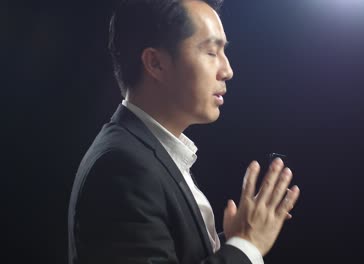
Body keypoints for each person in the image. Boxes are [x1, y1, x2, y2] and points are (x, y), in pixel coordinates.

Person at [68, 0, 300, 263]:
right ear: (155, 63)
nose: (228, 70)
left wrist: (233, 241)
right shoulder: (123, 167)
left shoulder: (147, 153)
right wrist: (246, 245)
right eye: (212, 52)